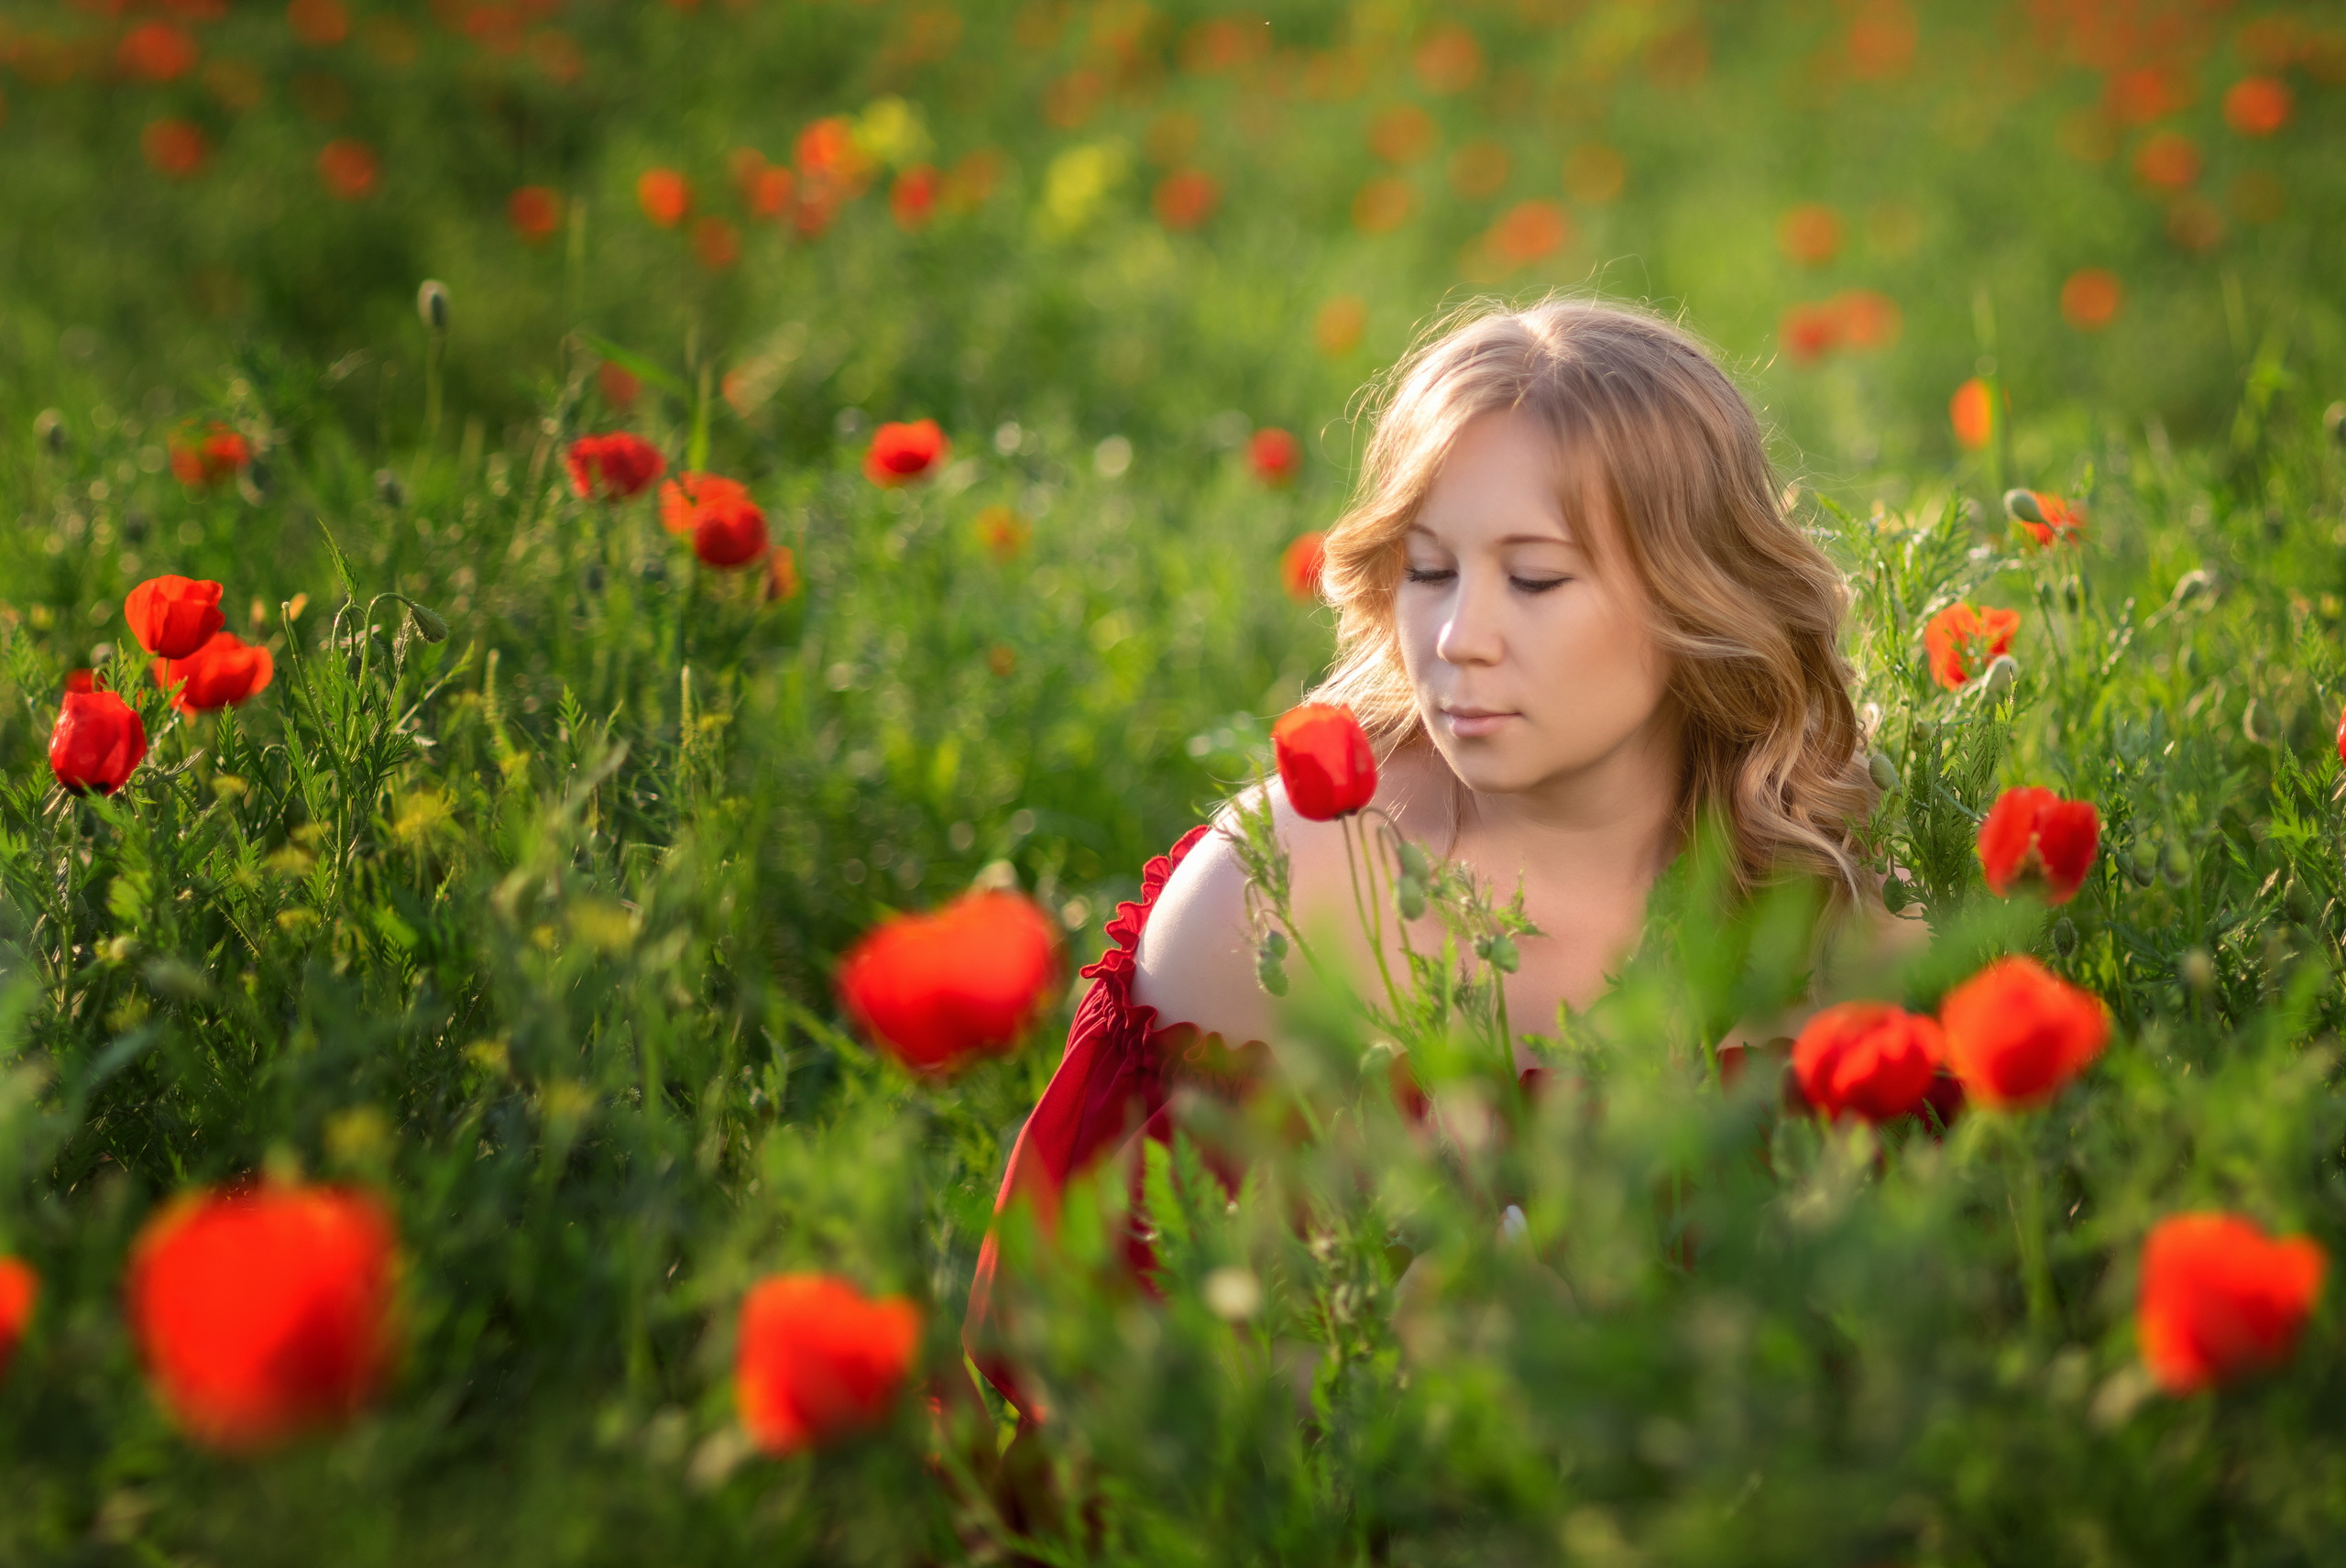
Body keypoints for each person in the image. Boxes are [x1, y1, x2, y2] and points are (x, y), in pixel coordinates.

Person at [964, 296, 1896, 1420]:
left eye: (1536, 577)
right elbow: (1090, 1379)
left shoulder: (1827, 898)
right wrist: (1392, 1384)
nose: (1459, 638)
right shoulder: (1278, 894)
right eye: (1429, 569)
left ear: (1696, 595)